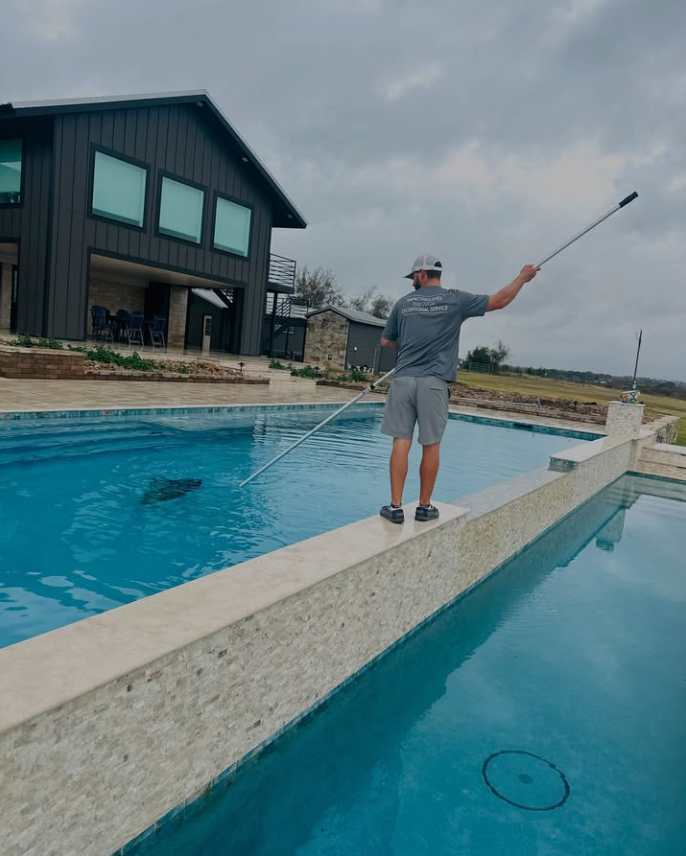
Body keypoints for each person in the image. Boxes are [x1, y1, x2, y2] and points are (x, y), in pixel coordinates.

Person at [379, 253, 540, 524]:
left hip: (404, 380)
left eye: (413, 278)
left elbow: (386, 342)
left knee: (401, 443)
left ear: (421, 274)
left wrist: (406, 345)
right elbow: (499, 301)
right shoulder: (455, 300)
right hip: (433, 384)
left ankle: (395, 508)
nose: (412, 283)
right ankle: (424, 507)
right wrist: (522, 279)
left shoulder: (403, 304)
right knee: (431, 445)